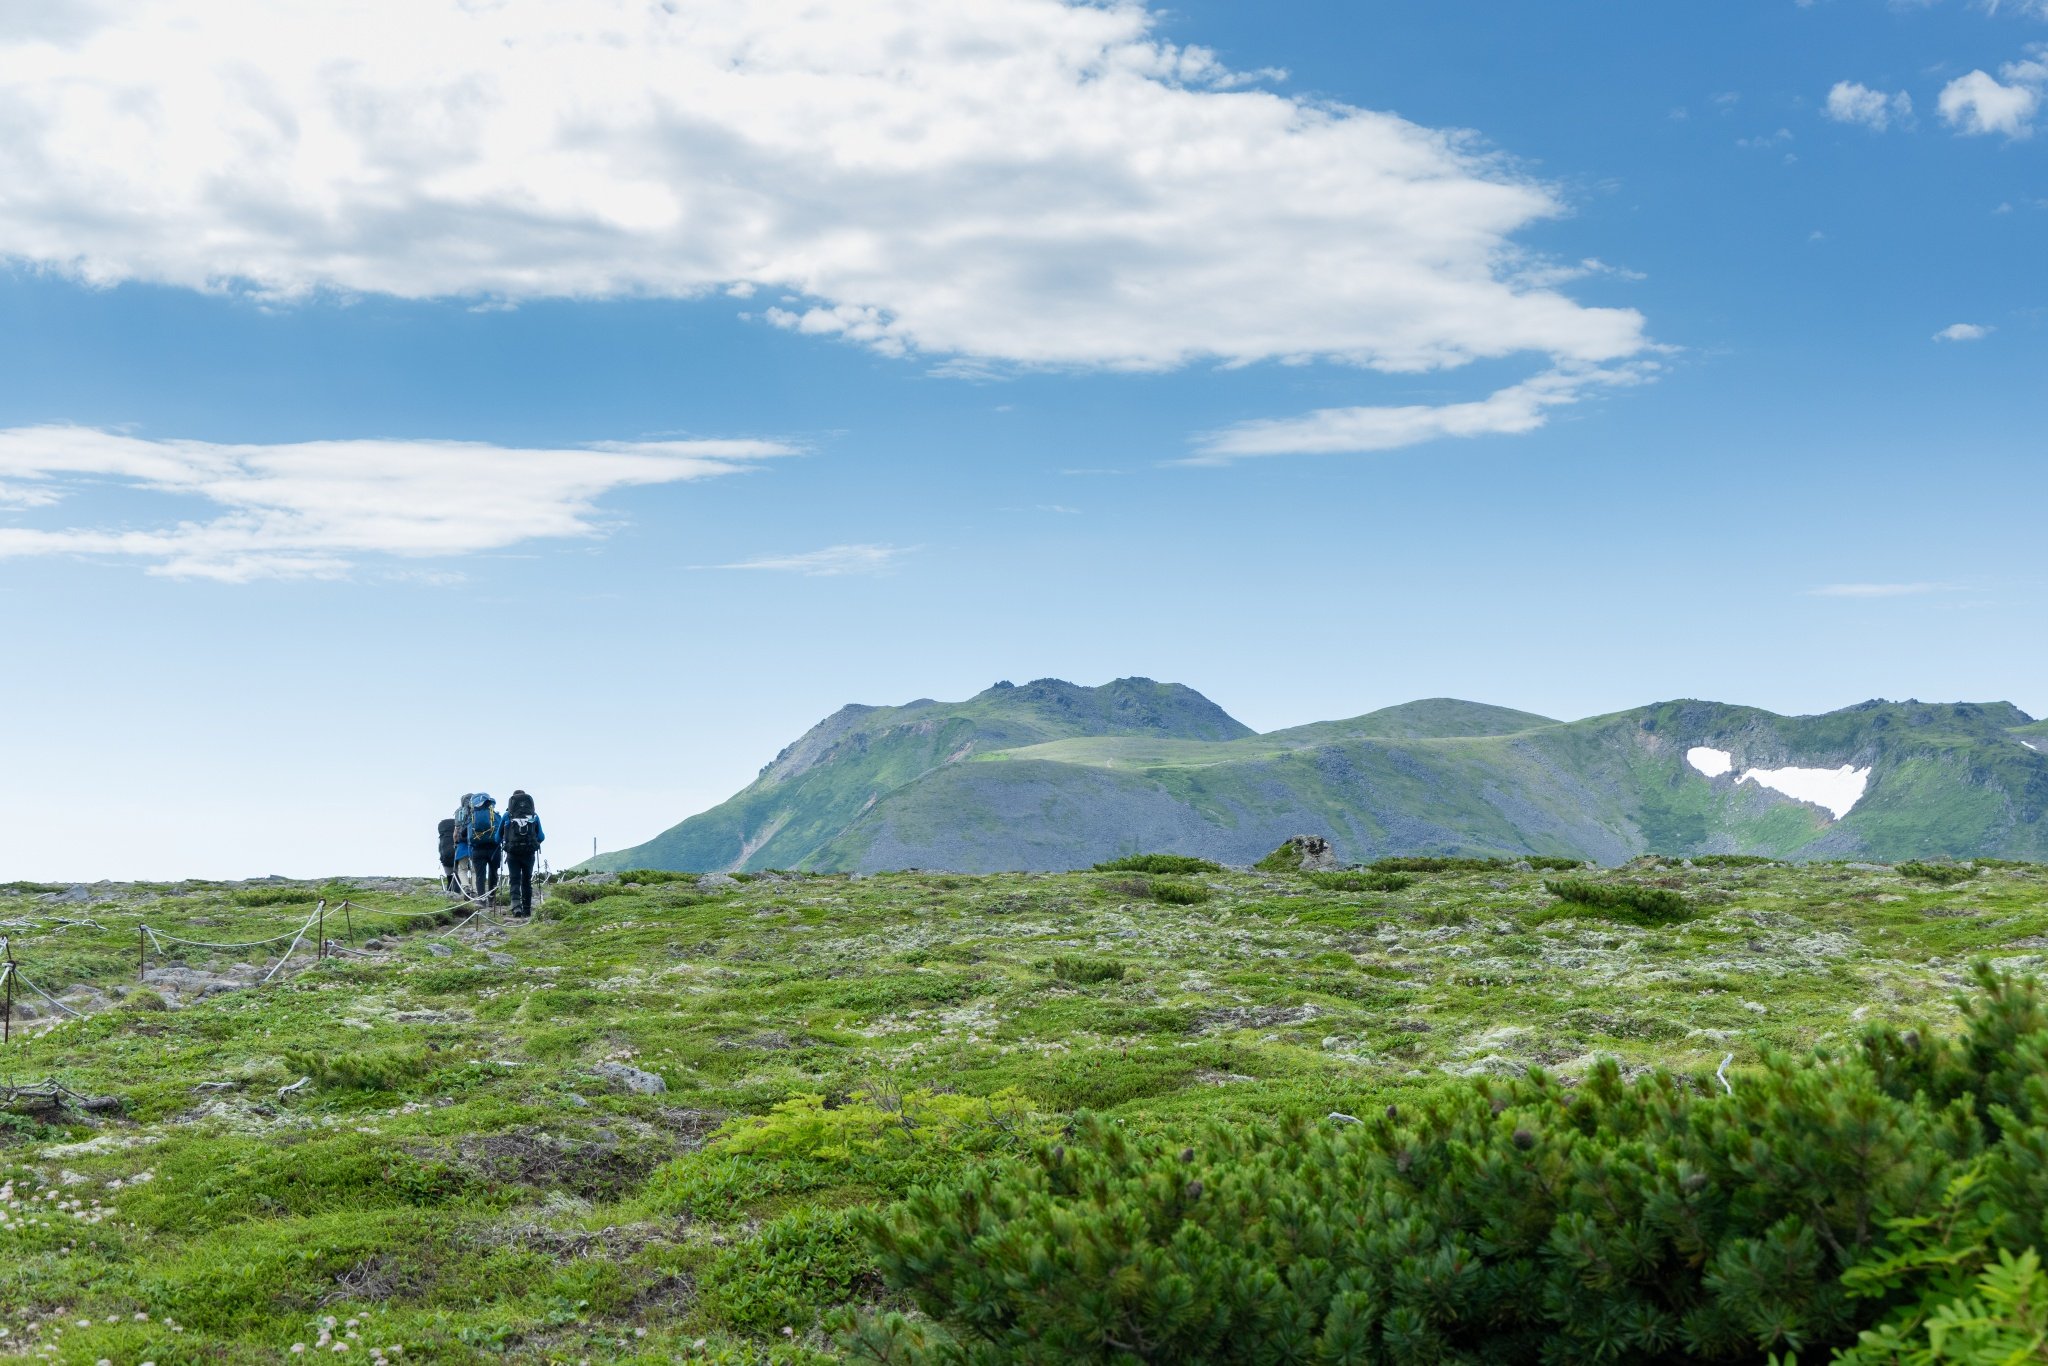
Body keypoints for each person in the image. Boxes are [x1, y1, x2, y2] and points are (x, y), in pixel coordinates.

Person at [499, 789, 545, 917]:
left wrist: (505, 841)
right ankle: (527, 909)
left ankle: (516, 907)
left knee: (514, 880)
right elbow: (541, 837)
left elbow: (498, 837)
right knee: (526, 880)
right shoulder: (534, 816)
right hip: (529, 853)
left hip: (512, 853)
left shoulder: (507, 815)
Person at [468, 792, 502, 901]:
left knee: (480, 875)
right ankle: (492, 898)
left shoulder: (472, 816)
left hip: (477, 849)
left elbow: (468, 836)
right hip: (494, 849)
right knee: (493, 873)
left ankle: (481, 900)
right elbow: (502, 832)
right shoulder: (495, 815)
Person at [437, 816, 458, 893]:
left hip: (445, 858)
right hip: (457, 856)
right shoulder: (456, 833)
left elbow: (440, 849)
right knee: (457, 876)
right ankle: (456, 894)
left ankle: (449, 893)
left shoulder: (442, 838)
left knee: (449, 877)